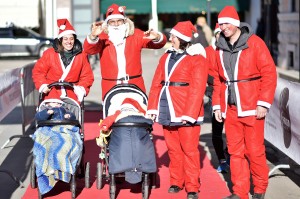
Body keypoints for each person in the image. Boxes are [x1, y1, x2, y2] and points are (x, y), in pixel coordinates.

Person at [211, 6, 277, 199]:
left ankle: (259, 189)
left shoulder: (255, 43)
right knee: (235, 151)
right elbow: (217, 79)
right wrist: (217, 105)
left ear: (236, 23)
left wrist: (263, 103)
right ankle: (239, 192)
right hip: (230, 108)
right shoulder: (219, 48)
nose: (224, 27)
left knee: (255, 151)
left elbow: (269, 73)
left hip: (252, 106)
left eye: (227, 23)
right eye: (221, 24)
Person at [147, 21, 208, 199]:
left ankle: (192, 186)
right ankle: (176, 181)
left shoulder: (197, 58)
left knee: (189, 150)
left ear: (182, 39)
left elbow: (198, 88)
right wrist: (152, 106)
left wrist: (189, 114)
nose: (170, 39)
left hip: (186, 110)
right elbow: (157, 82)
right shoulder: (166, 56)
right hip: (167, 107)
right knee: (173, 149)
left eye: (173, 36)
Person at [83, 3, 167, 100]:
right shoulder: (102, 37)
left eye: (119, 21)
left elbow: (159, 44)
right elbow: (89, 50)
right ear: (108, 23)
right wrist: (93, 36)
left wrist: (157, 37)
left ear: (125, 21)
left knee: (137, 113)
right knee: (112, 114)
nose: (116, 24)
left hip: (134, 84)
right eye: (112, 22)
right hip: (110, 85)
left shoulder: (135, 35)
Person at [32, 18, 94, 104]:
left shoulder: (82, 55)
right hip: (52, 93)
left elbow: (87, 76)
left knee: (71, 115)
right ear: (60, 40)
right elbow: (38, 72)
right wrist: (43, 85)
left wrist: (80, 89)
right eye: (65, 39)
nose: (69, 42)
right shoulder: (49, 54)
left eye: (71, 39)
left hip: (72, 94)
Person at [205, 23, 229, 173]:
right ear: (215, 36)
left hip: (231, 95)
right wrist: (215, 81)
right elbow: (202, 72)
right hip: (215, 93)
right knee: (217, 131)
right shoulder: (208, 51)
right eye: (218, 34)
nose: (221, 37)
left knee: (233, 131)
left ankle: (230, 154)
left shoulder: (230, 51)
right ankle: (222, 159)